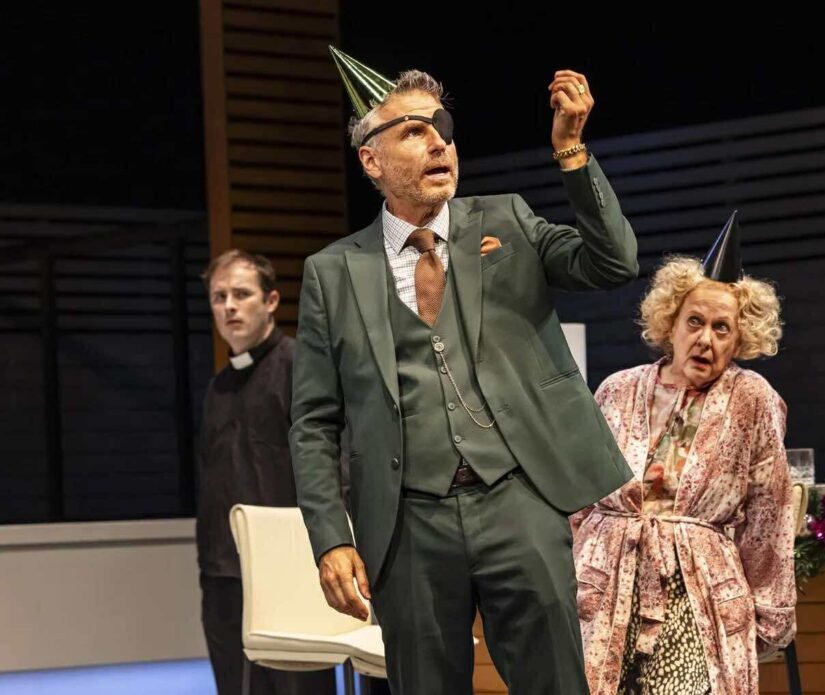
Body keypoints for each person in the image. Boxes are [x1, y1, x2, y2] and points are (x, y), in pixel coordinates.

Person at [289, 49, 638, 694]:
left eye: (443, 128)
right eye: (413, 131)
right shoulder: (332, 272)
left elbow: (612, 263)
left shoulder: (508, 219)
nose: (438, 143)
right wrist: (331, 538)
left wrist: (571, 153)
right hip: (407, 523)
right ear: (371, 160)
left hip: (518, 499)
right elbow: (313, 422)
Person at [572, 214, 797, 694]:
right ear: (670, 323)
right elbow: (579, 495)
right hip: (605, 582)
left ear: (740, 339)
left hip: (696, 588)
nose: (705, 339)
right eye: (695, 322)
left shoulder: (752, 398)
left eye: (722, 328)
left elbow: (769, 514)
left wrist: (768, 611)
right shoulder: (617, 390)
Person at [197, 249, 335, 695]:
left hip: (292, 570)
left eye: (241, 294)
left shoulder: (301, 367)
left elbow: (334, 466)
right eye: (219, 297)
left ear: (271, 301)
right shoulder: (218, 387)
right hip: (224, 573)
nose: (229, 307)